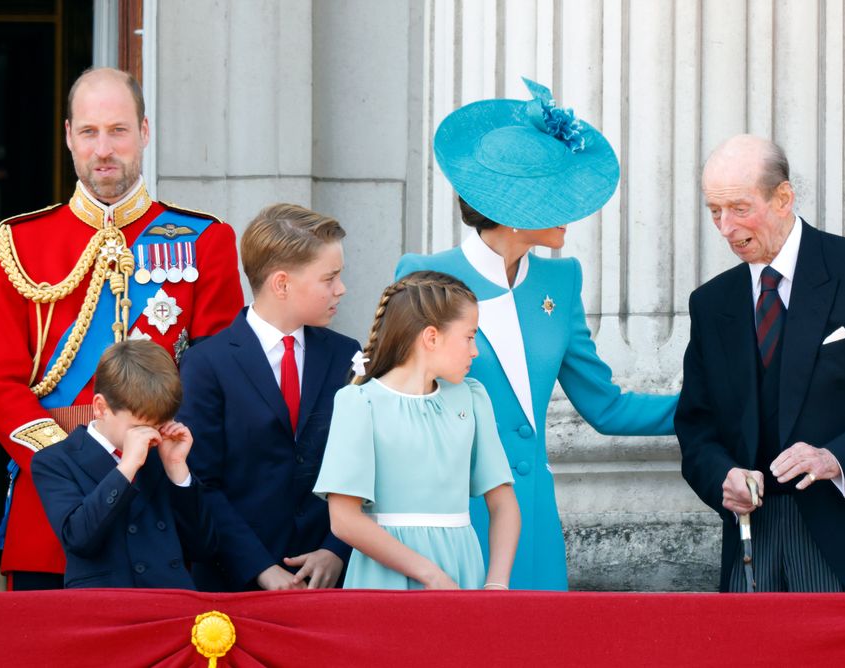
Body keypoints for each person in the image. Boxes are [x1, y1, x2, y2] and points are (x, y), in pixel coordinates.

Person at [396, 78, 677, 590]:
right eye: (557, 192)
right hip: (449, 522)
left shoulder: (560, 280)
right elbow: (397, 410)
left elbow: (606, 407)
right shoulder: (423, 276)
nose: (575, 207)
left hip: (533, 520)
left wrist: (713, 403)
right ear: (515, 212)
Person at [0, 67, 243, 590]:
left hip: (162, 500)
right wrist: (70, 466)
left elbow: (214, 378)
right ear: (69, 136)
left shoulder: (204, 239)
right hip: (55, 507)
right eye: (90, 132)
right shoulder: (18, 243)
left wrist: (156, 449)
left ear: (144, 132)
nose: (104, 149)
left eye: (118, 130)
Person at [675, 134, 845, 592]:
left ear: (783, 198)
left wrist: (834, 458)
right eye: (714, 211)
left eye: (739, 208)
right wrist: (724, 478)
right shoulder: (709, 302)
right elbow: (697, 429)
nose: (724, 227)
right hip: (750, 553)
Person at [178, 203, 359, 591]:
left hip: (330, 583)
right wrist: (260, 568)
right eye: (330, 278)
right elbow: (201, 483)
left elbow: (364, 464)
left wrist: (336, 549)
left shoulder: (347, 355)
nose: (341, 289)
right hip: (233, 585)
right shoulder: (206, 364)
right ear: (281, 284)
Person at [313, 271, 520, 590]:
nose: (475, 350)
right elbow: (344, 520)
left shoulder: (472, 398)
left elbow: (504, 503)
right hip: (384, 580)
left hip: (463, 573)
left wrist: (496, 584)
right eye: (469, 336)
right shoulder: (360, 403)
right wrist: (430, 574)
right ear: (431, 337)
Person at [30, 340, 216, 588]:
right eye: (139, 426)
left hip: (171, 604)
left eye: (158, 425)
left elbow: (203, 547)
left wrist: (177, 469)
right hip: (102, 608)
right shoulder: (55, 461)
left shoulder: (165, 452)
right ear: (101, 408)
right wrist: (126, 467)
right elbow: (79, 539)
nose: (152, 435)